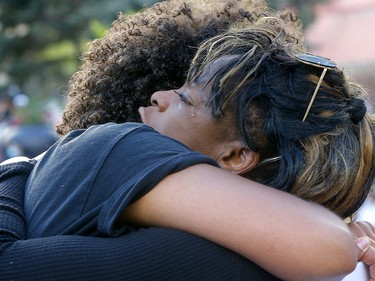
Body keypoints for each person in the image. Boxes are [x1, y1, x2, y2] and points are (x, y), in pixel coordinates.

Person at [1, 1, 375, 281]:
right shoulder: (119, 153)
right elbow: (331, 248)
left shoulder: (128, 144)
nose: (158, 97)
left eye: (185, 98)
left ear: (235, 156)